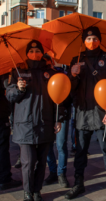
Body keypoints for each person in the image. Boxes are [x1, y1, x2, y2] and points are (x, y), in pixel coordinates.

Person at [65, 27, 106, 201]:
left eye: (95, 38)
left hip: (103, 114)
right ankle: (78, 183)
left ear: (100, 40)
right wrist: (73, 76)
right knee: (81, 151)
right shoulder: (76, 60)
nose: (92, 42)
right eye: (88, 39)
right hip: (83, 114)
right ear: (84, 41)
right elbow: (70, 91)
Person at [6, 40, 62, 201]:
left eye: (38, 51)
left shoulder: (50, 72)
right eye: (32, 51)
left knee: (41, 162)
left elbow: (57, 98)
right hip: (25, 125)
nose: (35, 53)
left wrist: (58, 118)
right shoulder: (18, 71)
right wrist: (19, 89)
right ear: (27, 53)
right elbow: (9, 96)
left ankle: (37, 191)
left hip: (45, 123)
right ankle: (27, 192)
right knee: (28, 162)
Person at [42, 54, 71, 188]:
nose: (46, 66)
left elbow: (65, 98)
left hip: (61, 115)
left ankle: (61, 174)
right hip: (46, 116)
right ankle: (53, 171)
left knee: (61, 145)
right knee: (47, 147)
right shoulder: (38, 76)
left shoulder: (59, 75)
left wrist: (59, 117)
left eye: (48, 63)